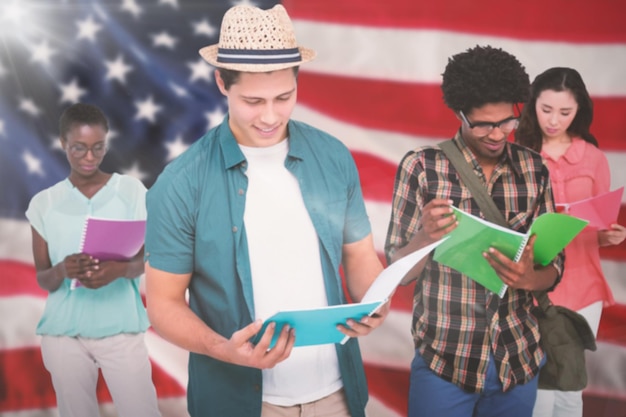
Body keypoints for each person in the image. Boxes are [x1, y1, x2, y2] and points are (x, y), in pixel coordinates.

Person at [143, 4, 387, 417]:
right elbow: (163, 302)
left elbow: (360, 256)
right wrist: (225, 350)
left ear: (297, 81)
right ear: (222, 82)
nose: (271, 116)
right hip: (239, 402)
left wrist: (375, 303)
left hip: (338, 397)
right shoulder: (181, 181)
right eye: (253, 101)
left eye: (284, 97)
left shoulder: (333, 156)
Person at [384, 45, 565, 417]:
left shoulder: (534, 169)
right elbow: (396, 273)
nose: (498, 134)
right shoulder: (421, 167)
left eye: (507, 121)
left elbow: (555, 265)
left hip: (517, 361)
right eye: (483, 123)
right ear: (459, 113)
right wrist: (424, 238)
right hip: (445, 362)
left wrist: (531, 277)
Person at [24, 103, 161, 417]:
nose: (89, 157)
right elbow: (43, 277)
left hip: (120, 329)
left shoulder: (132, 191)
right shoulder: (44, 203)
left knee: (141, 411)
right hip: (63, 334)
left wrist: (120, 269)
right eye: (79, 148)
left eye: (98, 148)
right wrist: (62, 269)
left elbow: (152, 255)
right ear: (63, 143)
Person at [514, 67, 626, 417]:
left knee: (569, 385)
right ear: (533, 105)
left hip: (582, 287)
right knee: (537, 388)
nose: (554, 120)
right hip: (531, 284)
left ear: (579, 111)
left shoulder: (593, 157)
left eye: (565, 112)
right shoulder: (517, 153)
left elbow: (597, 226)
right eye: (546, 109)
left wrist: (609, 236)